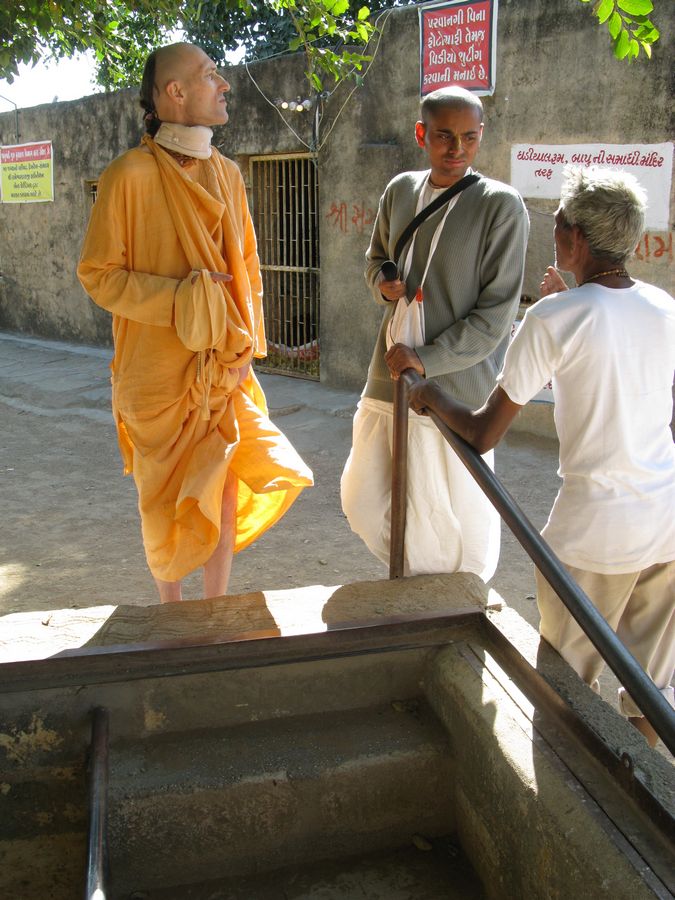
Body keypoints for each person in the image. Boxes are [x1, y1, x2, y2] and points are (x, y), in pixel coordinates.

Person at [400, 166, 675, 746]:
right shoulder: (661, 306)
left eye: (558, 223)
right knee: (651, 686)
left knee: (565, 685)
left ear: (575, 239)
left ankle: (569, 797)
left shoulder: (552, 317)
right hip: (665, 519)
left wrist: (431, 394)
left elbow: (481, 433)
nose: (553, 232)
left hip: (597, 533)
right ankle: (646, 791)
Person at [78, 43, 313, 603]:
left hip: (221, 370)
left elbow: (248, 269)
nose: (224, 85)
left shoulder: (228, 175)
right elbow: (99, 275)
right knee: (163, 505)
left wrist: (243, 348)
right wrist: (186, 301)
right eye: (211, 76)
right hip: (156, 377)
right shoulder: (127, 176)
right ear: (175, 93)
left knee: (224, 492)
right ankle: (171, 616)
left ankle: (214, 610)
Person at [341, 87, 529, 579]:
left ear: (481, 136)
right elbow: (374, 257)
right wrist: (382, 282)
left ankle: (454, 598)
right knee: (362, 499)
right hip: (388, 375)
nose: (457, 149)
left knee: (457, 515)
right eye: (444, 136)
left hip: (455, 387)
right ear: (422, 134)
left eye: (469, 137)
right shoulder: (400, 190)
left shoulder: (501, 206)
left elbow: (494, 317)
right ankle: (426, 589)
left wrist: (428, 360)